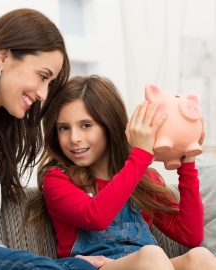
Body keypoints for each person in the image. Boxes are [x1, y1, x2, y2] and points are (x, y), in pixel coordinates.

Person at [0, 9, 111, 270]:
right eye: (42, 76)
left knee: (80, 267)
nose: (44, 94)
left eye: (50, 83)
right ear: (2, 57)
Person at [26, 75, 216, 269]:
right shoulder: (58, 179)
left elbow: (190, 235)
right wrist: (140, 156)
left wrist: (187, 164)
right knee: (151, 255)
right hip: (98, 267)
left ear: (110, 126)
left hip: (150, 264)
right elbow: (96, 217)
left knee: (200, 257)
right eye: (64, 128)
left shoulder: (144, 179)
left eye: (86, 125)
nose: (74, 138)